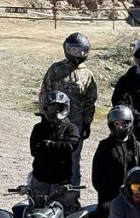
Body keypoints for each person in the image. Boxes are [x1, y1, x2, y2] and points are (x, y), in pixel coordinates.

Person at [38, 32, 97, 186]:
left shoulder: (87, 75)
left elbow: (90, 101)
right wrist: (44, 116)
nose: (77, 53)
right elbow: (44, 93)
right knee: (48, 154)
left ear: (86, 51)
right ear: (66, 49)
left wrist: (87, 123)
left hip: (75, 124)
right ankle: (46, 189)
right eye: (73, 49)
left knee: (73, 158)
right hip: (54, 121)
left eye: (80, 50)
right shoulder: (56, 69)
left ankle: (72, 193)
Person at [91, 106, 140, 218]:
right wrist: (107, 197)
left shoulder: (136, 145)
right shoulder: (104, 146)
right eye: (116, 124)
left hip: (132, 197)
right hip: (111, 199)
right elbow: (98, 175)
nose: (120, 127)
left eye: (123, 123)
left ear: (129, 124)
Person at [28, 90, 80, 211]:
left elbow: (70, 148)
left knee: (66, 215)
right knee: (36, 214)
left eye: (58, 108)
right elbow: (34, 151)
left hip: (61, 183)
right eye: (51, 108)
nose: (55, 112)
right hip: (40, 180)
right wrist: (57, 148)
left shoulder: (71, 128)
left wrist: (47, 145)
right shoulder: (39, 128)